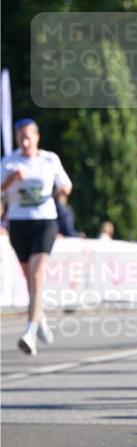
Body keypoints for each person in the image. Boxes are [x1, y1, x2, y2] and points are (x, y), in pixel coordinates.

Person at [1, 118, 72, 354]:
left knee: (37, 271)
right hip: (19, 224)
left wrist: (63, 190)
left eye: (28, 135)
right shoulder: (9, 161)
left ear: (37, 136)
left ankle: (29, 331)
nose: (24, 140)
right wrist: (11, 179)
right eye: (20, 136)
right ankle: (39, 317)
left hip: (45, 221)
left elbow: (66, 184)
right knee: (28, 278)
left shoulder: (49, 159)